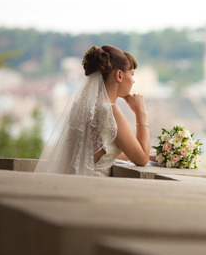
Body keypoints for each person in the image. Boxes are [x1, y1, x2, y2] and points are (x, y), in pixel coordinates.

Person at [35, 45, 150, 176]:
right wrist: (141, 113)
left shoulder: (82, 106)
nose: (133, 80)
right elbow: (142, 159)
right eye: (132, 74)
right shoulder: (111, 111)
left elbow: (96, 155)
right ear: (119, 75)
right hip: (96, 188)